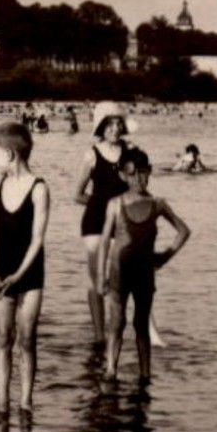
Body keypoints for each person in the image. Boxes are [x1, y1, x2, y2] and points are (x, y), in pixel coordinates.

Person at [97, 150, 190, 382]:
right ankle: (111, 369)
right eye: (133, 174)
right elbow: (103, 245)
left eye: (144, 173)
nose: (139, 179)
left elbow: (183, 231)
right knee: (117, 323)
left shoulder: (157, 204)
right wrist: (100, 277)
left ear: (150, 173)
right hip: (119, 272)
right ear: (123, 176)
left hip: (144, 274)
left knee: (141, 324)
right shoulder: (116, 204)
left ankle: (145, 374)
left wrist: (165, 256)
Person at [0, 121, 49, 412]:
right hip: (0, 272)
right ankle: (1, 401)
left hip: (30, 273)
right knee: (2, 338)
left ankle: (25, 402)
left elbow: (37, 239)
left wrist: (20, 274)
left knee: (26, 339)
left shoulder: (39, 188)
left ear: (10, 154)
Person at [75, 102, 138, 346]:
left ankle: (115, 331)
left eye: (117, 123)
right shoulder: (92, 154)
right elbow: (77, 194)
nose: (114, 128)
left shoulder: (131, 152)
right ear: (101, 127)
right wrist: (101, 205)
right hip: (93, 224)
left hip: (121, 224)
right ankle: (99, 334)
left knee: (119, 280)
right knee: (96, 281)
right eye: (109, 124)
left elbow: (139, 188)